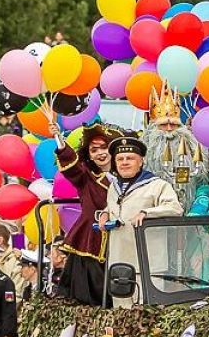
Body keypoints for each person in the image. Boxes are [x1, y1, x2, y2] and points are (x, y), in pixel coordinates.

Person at [100, 135, 184, 306]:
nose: (124, 162)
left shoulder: (157, 185)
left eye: (130, 158)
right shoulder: (113, 187)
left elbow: (175, 208)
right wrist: (104, 214)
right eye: (120, 159)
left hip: (148, 263)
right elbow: (114, 208)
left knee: (148, 315)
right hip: (119, 262)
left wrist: (147, 212)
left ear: (141, 161)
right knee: (121, 315)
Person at [51, 122, 118, 305]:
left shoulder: (128, 176)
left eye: (104, 147)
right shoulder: (86, 177)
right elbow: (72, 168)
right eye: (94, 150)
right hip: (91, 245)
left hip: (122, 242)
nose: (100, 153)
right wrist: (60, 140)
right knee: (87, 299)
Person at [142, 87, 208, 213]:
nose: (169, 129)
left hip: (190, 215)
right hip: (156, 214)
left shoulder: (193, 147)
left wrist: (198, 208)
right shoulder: (144, 154)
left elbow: (203, 183)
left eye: (173, 124)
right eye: (163, 125)